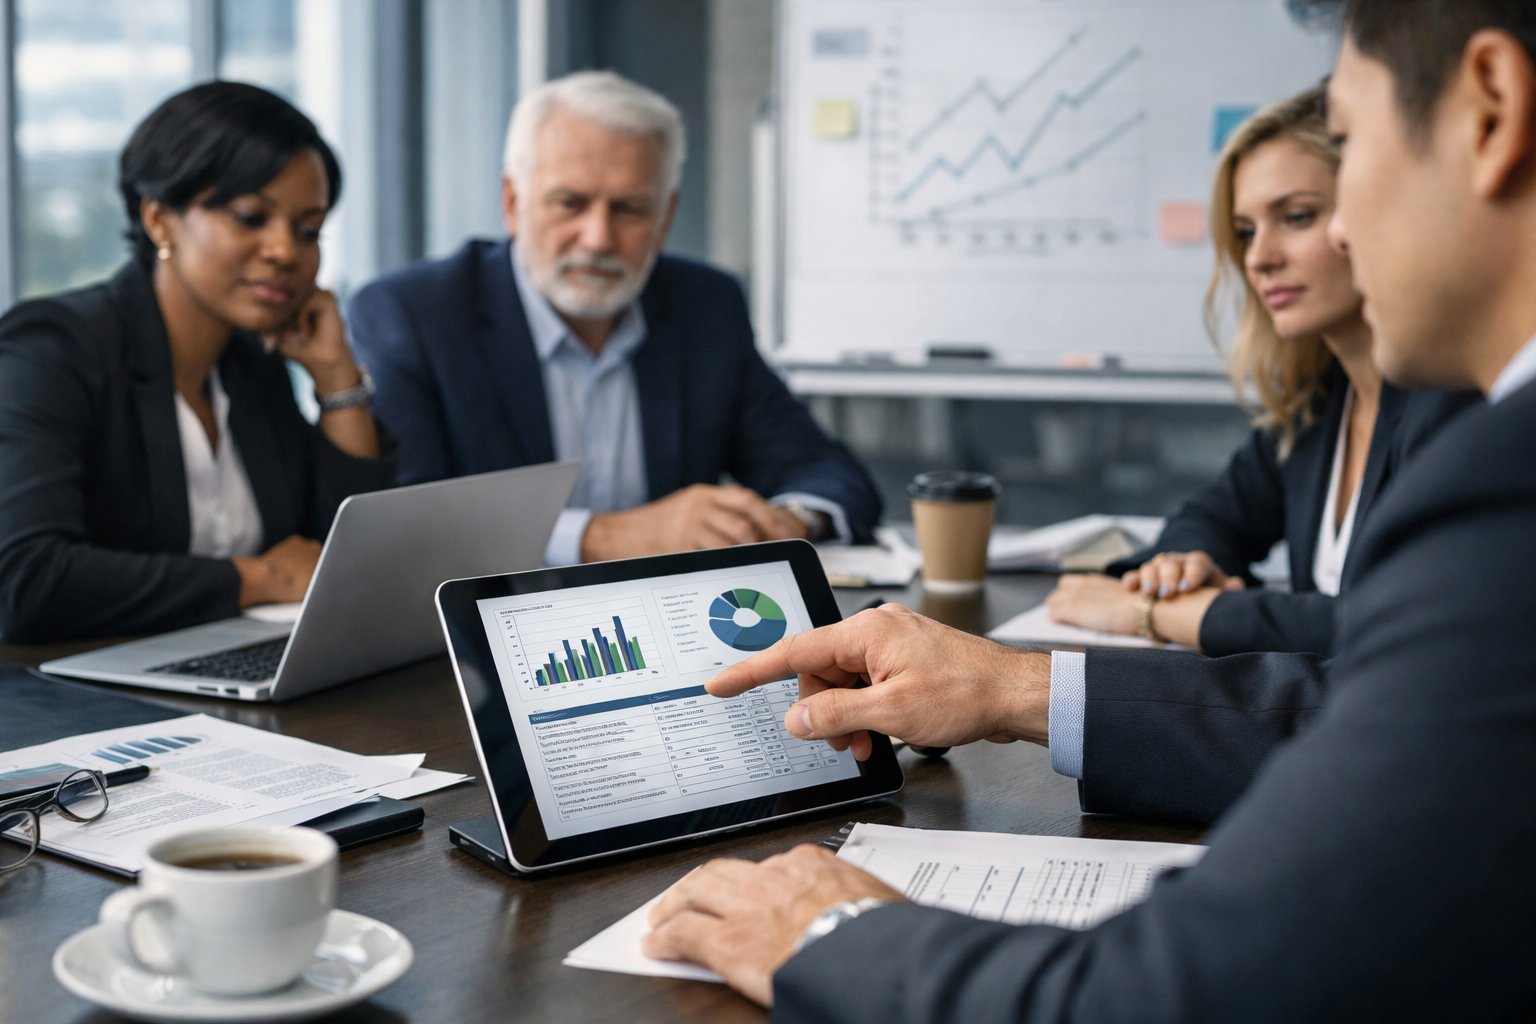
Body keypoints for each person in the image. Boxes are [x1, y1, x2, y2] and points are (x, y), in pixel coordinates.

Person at [641, 1, 1536, 1017]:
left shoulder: (1505, 474)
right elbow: (1339, 711)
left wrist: (833, 930)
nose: (1335, 228)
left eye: (1356, 146)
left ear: (1491, 111)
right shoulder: (1354, 421)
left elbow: (1175, 994)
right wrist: (1015, 689)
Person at [347, 71, 881, 566]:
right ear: (513, 202)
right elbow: (407, 525)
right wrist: (606, 535)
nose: (599, 238)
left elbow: (824, 472)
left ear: (665, 217)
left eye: (629, 209)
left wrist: (786, 520)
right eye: (570, 203)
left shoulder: (705, 306)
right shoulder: (414, 314)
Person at [1044, 85, 1474, 656]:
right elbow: (1208, 518)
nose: (1258, 258)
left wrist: (1172, 615)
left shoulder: (1456, 403)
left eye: (1296, 217)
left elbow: (1399, 627)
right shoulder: (1322, 404)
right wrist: (1181, 570)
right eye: (1246, 231)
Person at [0, 82, 390, 643]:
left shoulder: (250, 362)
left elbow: (340, 556)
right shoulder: (53, 348)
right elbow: (27, 581)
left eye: (309, 230)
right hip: (73, 700)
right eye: (251, 217)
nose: (285, 251)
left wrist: (336, 379)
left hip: (224, 675)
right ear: (159, 219)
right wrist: (258, 577)